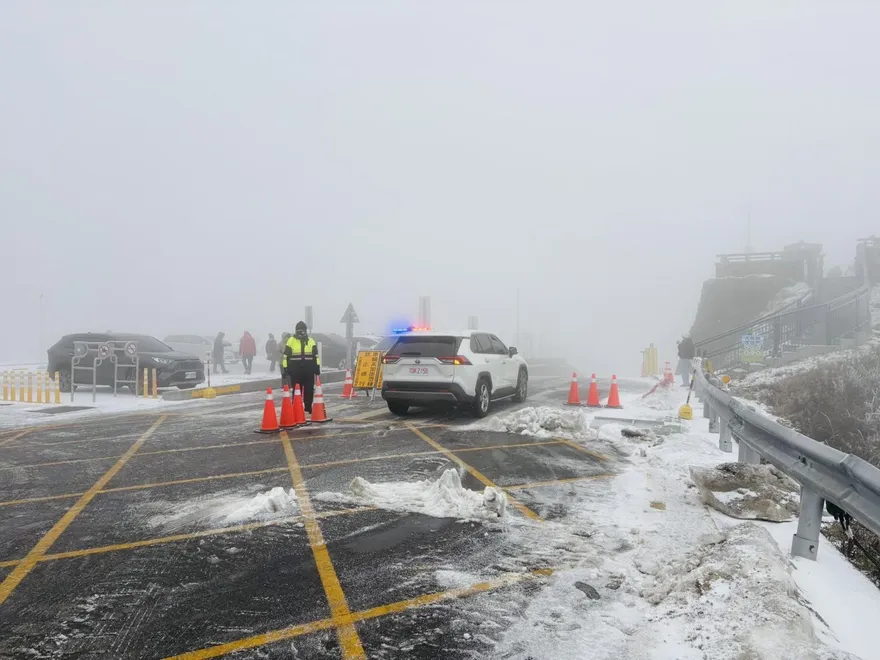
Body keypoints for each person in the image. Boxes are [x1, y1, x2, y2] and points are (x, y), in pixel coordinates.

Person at [284, 321, 320, 413]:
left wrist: (317, 367)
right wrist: (285, 368)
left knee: (309, 390)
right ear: (296, 331)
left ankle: (308, 407)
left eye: (303, 330)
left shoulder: (311, 341)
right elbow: (286, 356)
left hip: (309, 370)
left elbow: (316, 356)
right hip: (295, 371)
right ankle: (296, 408)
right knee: (297, 390)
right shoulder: (291, 341)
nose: (301, 332)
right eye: (299, 330)